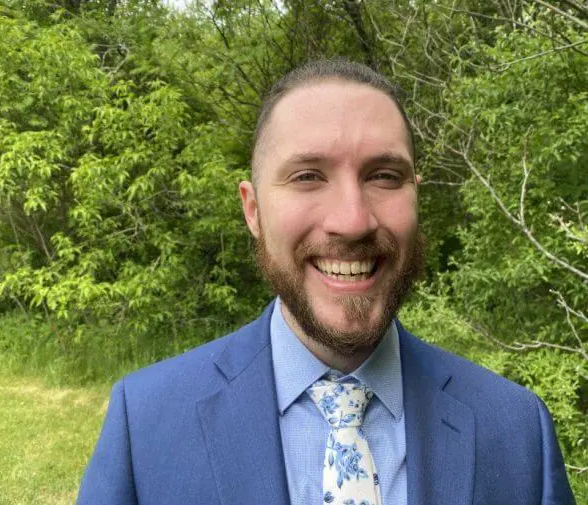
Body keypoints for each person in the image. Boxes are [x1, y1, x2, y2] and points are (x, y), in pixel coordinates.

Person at [76, 59, 575, 505]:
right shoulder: (144, 425)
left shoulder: (516, 430)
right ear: (253, 210)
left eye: (383, 176)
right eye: (308, 176)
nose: (352, 221)